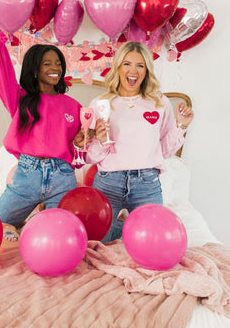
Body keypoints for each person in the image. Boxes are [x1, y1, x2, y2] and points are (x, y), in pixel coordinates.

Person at [0, 0, 90, 231]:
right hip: (26, 176)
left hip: (62, 178)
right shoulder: (20, 98)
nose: (55, 68)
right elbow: (2, 67)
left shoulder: (74, 106)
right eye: (47, 64)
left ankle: (37, 221)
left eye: (58, 63)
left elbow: (79, 153)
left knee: (62, 233)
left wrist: (81, 142)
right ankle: (31, 219)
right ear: (35, 70)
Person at [76, 41, 194, 242]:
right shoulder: (100, 104)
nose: (133, 71)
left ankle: (130, 225)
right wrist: (102, 141)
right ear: (118, 67)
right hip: (108, 183)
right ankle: (125, 226)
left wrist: (181, 126)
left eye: (140, 65)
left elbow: (163, 151)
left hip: (146, 183)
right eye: (127, 64)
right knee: (96, 241)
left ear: (147, 70)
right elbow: (88, 157)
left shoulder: (159, 102)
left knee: (154, 241)